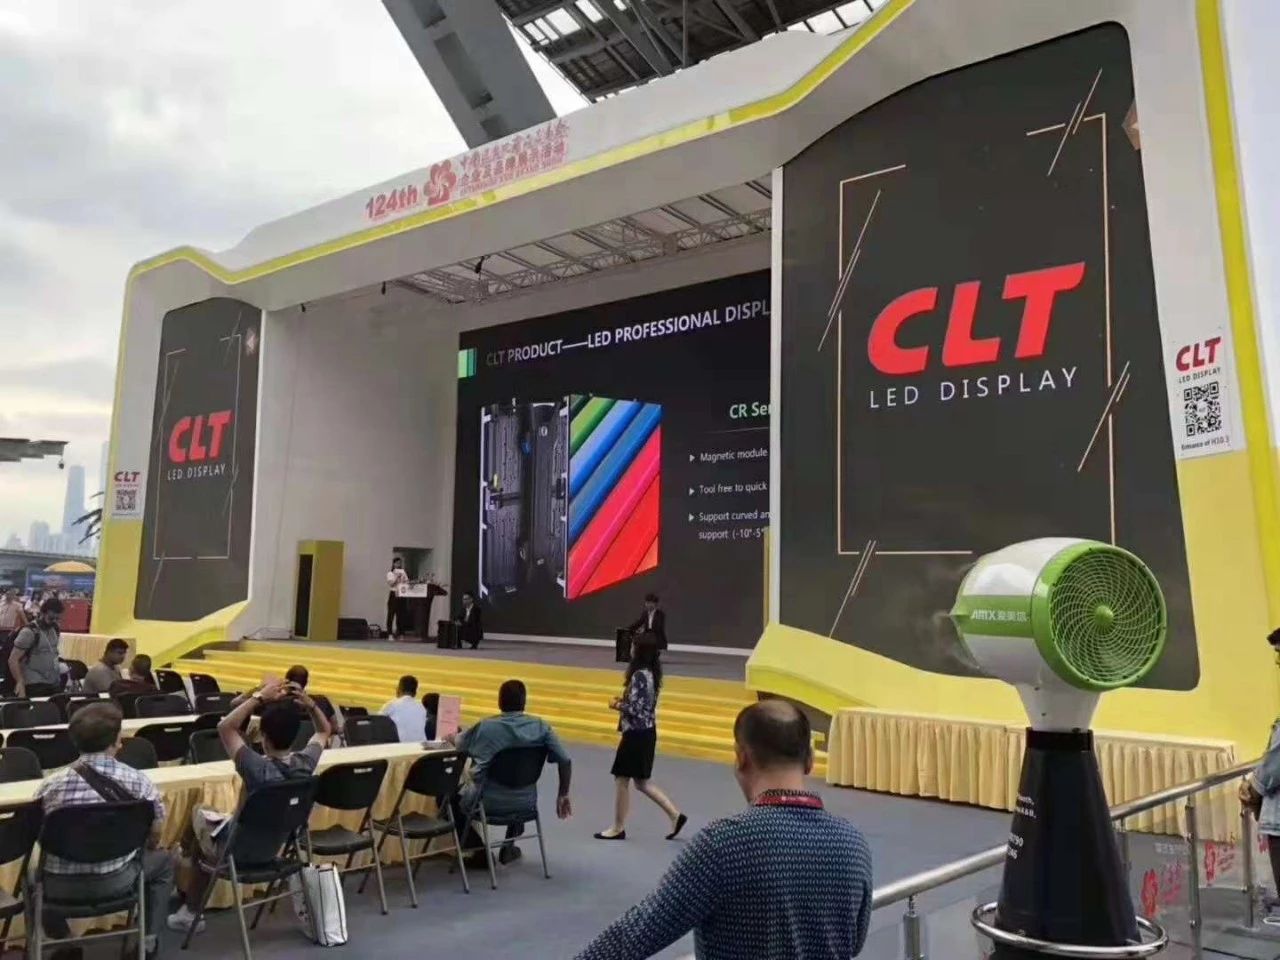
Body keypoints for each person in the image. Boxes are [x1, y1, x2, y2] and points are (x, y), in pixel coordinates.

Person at [575, 700, 873, 960]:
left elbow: (637, 933)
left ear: (742, 757)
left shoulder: (724, 845)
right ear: (809, 761)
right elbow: (854, 941)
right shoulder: (853, 844)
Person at [168, 677, 331, 934]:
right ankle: (188, 873)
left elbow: (225, 726)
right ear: (296, 735)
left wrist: (259, 697)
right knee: (210, 831)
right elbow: (324, 731)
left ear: (263, 736)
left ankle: (187, 887)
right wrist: (310, 704)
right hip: (274, 848)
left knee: (199, 812)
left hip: (235, 851)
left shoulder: (256, 767)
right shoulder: (305, 764)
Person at [36, 702, 175, 958]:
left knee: (31, 875)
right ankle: (147, 942)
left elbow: (38, 836)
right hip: (119, 880)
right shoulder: (140, 782)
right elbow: (155, 835)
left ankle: (65, 942)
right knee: (165, 861)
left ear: (75, 742)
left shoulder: (50, 786)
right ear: (116, 742)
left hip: (58, 887)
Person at [449, 679, 572, 865]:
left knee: (448, 800)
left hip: (486, 802)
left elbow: (460, 744)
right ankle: (508, 845)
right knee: (518, 777)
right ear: (524, 702)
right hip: (526, 802)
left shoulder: (486, 727)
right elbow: (565, 760)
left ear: (499, 701)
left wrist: (451, 736)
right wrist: (563, 794)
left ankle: (480, 853)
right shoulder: (541, 727)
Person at [595, 633, 686, 841]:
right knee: (642, 782)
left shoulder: (639, 676)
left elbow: (636, 709)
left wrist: (617, 704)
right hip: (647, 732)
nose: (631, 649)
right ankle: (675, 815)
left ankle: (617, 827)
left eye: (634, 646)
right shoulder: (652, 674)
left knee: (622, 779)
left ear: (639, 651)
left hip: (636, 734)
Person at [10, 596, 64, 697]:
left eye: (57, 619)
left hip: (52, 680)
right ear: (42, 613)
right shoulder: (29, 632)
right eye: (51, 618)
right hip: (34, 683)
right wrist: (20, 682)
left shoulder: (55, 629)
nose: (54, 621)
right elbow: (13, 660)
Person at [381, 674, 427, 743]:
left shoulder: (391, 705)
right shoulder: (421, 707)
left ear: (399, 689)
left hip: (400, 747)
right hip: (419, 746)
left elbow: (376, 723)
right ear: (415, 693)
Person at [386, 557, 409, 639]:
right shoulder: (390, 573)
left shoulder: (403, 572)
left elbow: (407, 581)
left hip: (401, 594)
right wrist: (397, 577)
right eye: (397, 563)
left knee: (401, 614)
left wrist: (404, 581)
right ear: (393, 564)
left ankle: (401, 633)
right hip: (393, 593)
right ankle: (390, 633)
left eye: (400, 563)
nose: (398, 564)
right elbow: (391, 584)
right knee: (391, 614)